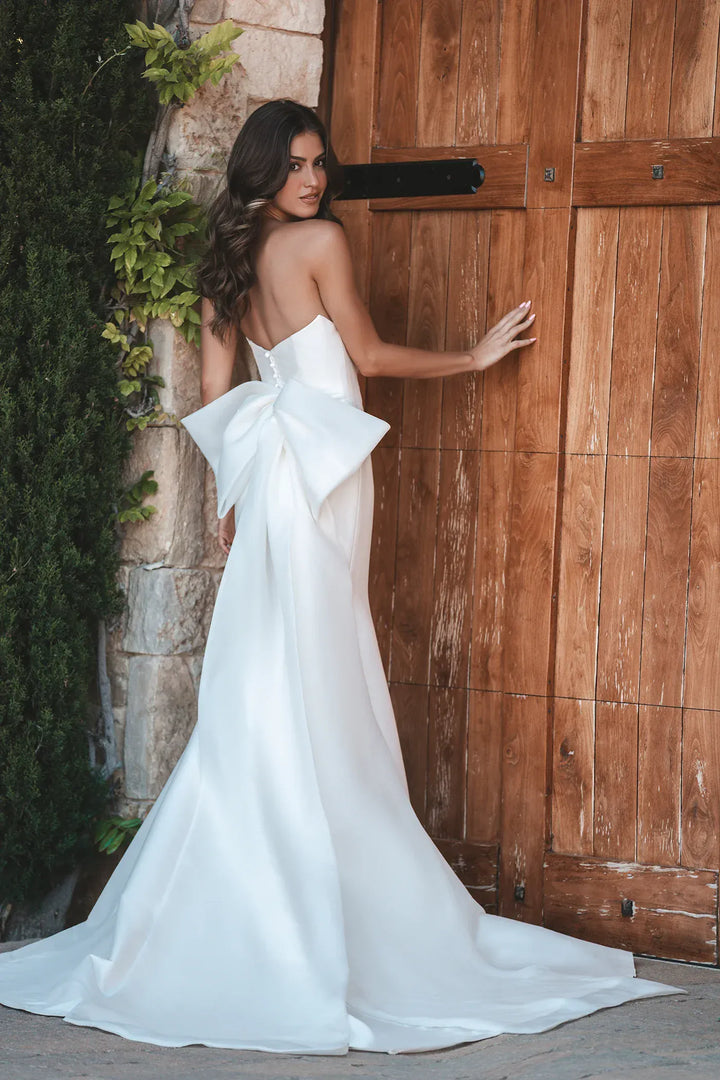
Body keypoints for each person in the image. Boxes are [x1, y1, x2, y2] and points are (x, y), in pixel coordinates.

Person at [0, 99, 681, 1054]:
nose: (315, 182)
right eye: (298, 165)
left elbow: (214, 394)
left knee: (274, 667)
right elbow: (363, 356)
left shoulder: (225, 262)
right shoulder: (318, 243)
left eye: (321, 165)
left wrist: (231, 499)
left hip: (274, 475)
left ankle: (258, 879)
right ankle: (327, 884)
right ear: (265, 169)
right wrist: (472, 356)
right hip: (326, 476)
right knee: (317, 669)